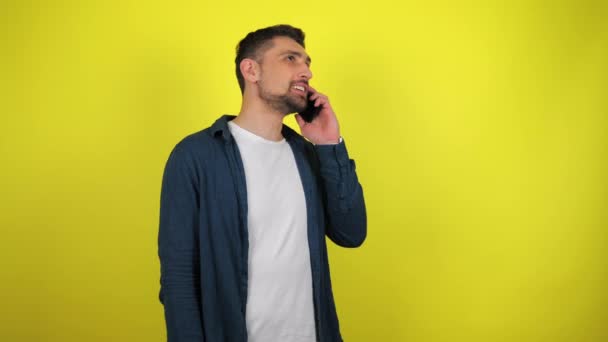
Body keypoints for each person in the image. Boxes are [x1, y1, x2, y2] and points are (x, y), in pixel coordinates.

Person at [158, 24, 367, 342]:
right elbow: (178, 275)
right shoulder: (196, 156)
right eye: (291, 59)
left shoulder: (308, 156)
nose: (306, 72)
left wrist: (330, 145)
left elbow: (351, 233)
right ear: (251, 70)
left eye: (307, 62)